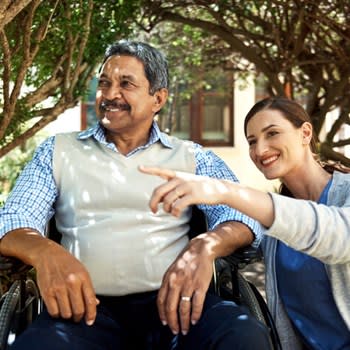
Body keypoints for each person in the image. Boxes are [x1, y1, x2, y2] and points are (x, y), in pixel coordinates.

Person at [0, 40, 272, 349]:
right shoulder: (57, 150)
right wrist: (44, 251)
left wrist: (207, 246)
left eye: (126, 84)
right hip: (81, 312)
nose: (110, 94)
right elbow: (12, 219)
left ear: (158, 99)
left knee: (242, 335)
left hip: (176, 308)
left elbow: (242, 215)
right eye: (104, 83)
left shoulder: (193, 157)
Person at [140, 96, 350, 350]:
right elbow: (244, 230)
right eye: (252, 141)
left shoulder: (343, 195)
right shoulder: (273, 226)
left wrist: (225, 191)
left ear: (305, 133)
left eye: (272, 133)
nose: (260, 150)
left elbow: (335, 234)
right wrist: (206, 247)